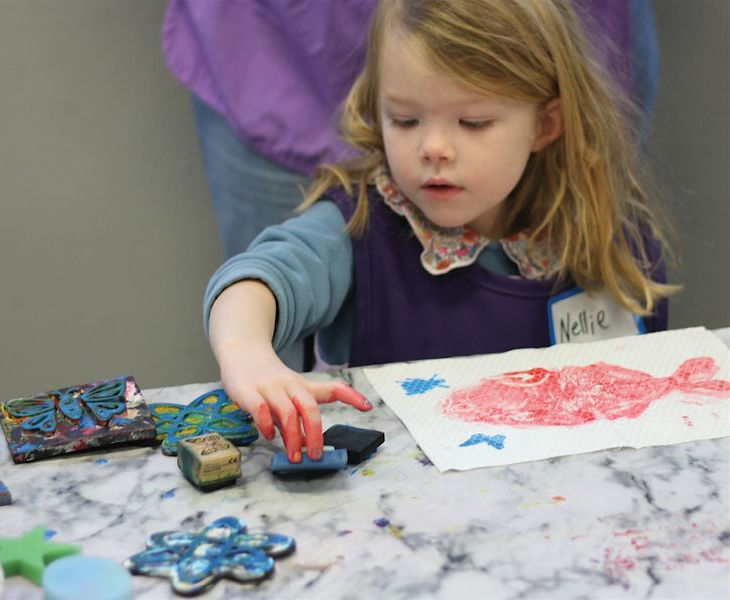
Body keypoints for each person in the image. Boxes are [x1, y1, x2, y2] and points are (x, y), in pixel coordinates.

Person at [201, 0, 676, 464]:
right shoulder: (358, 223)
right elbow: (257, 279)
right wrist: (245, 351)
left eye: (473, 122)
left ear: (545, 124)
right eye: (404, 120)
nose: (433, 147)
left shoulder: (604, 231)